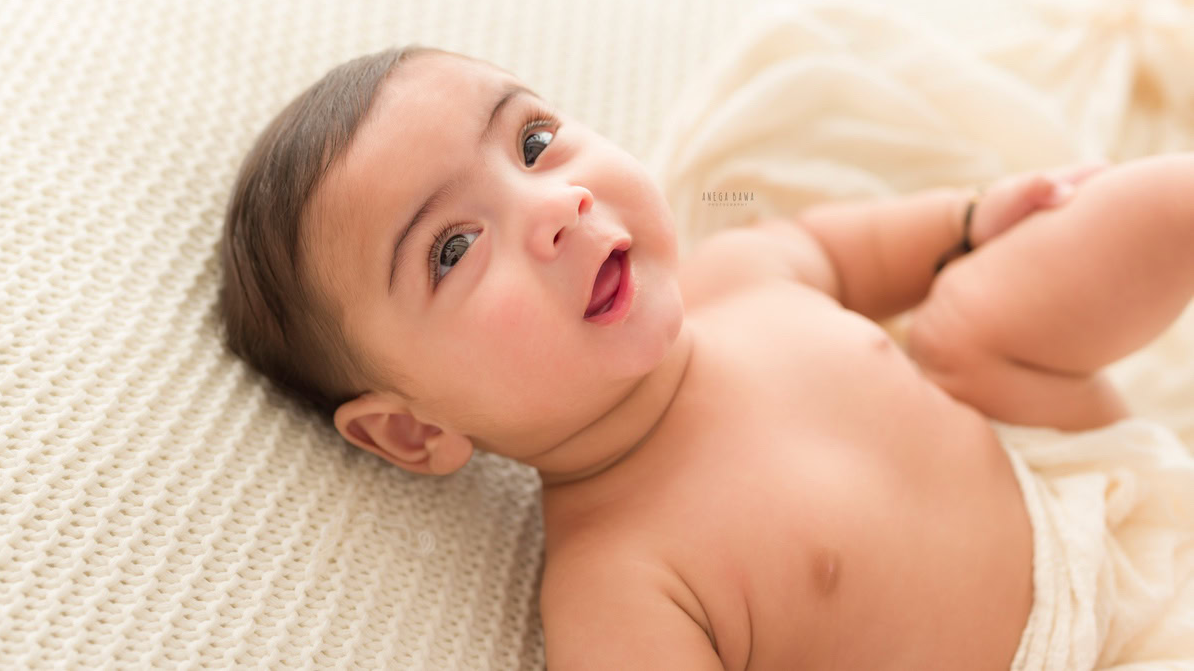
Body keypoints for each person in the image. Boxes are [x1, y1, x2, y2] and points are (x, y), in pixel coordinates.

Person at [219, 44, 1194, 670]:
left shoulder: (736, 269)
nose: (556, 206)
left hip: (1074, 478)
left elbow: (845, 248)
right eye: (453, 248)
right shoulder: (619, 581)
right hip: (1061, 654)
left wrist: (969, 219)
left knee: (974, 313)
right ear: (410, 428)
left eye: (534, 141)